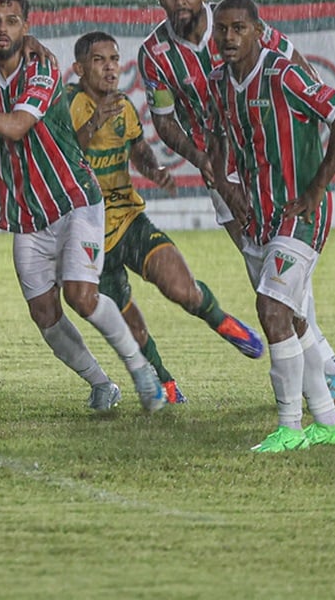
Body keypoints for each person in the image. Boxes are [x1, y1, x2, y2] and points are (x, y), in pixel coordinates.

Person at [0, 0, 167, 415]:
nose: (4, 28)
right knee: (44, 314)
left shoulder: (43, 67)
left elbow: (17, 127)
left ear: (26, 27)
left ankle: (141, 370)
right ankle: (100, 383)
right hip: (27, 214)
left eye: (14, 21)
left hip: (74, 198)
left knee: (81, 295)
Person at [137, 0, 335, 402]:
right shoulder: (155, 54)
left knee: (282, 272)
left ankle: (326, 376)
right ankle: (325, 374)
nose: (180, 2)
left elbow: (293, 68)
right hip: (223, 174)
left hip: (271, 166)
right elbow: (163, 119)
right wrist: (204, 164)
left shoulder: (236, 22)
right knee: (269, 273)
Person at [67, 31, 266, 402]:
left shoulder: (123, 106)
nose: (110, 67)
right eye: (99, 60)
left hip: (128, 221)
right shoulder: (68, 104)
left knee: (181, 289)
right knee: (127, 324)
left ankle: (220, 319)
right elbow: (60, 154)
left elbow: (138, 149)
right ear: (79, 68)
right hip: (86, 233)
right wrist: (94, 124)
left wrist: (154, 169)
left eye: (114, 58)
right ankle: (164, 380)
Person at [206, 0, 335, 452]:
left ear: (258, 31)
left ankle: (289, 428)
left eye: (239, 29)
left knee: (272, 311)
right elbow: (216, 139)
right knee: (293, 320)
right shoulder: (220, 82)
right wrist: (229, 188)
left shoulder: (283, 73)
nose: (229, 38)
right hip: (260, 217)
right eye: (223, 30)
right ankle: (330, 424)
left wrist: (315, 190)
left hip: (301, 216)